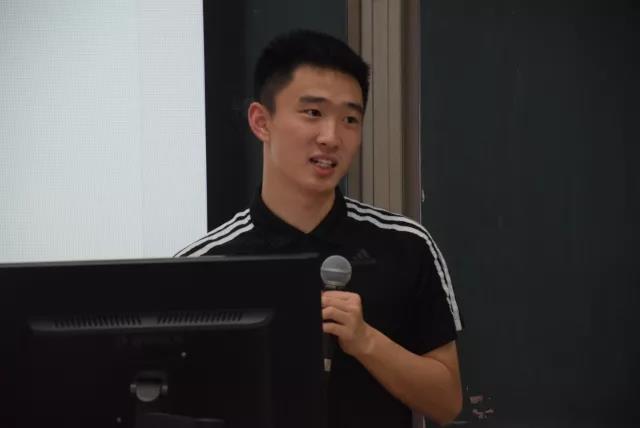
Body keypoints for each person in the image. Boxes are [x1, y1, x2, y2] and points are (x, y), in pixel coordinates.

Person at [176, 29, 463, 428]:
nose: (331, 137)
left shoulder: (405, 245)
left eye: (350, 119)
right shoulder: (204, 265)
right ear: (261, 122)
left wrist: (366, 341)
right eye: (313, 113)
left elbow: (447, 402)